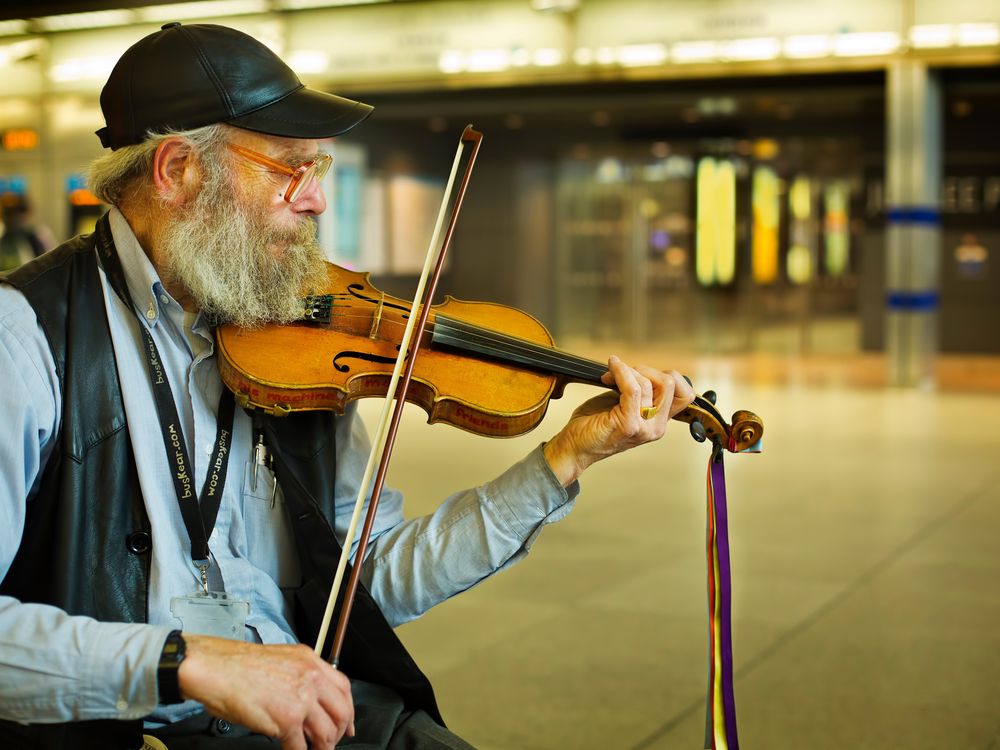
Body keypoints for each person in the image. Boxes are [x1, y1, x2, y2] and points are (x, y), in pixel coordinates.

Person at [0, 22, 693, 750]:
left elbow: (365, 587)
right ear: (176, 170)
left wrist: (565, 460)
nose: (314, 202)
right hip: (115, 725)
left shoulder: (295, 344)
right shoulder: (26, 337)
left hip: (298, 715)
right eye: (287, 169)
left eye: (319, 171)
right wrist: (186, 663)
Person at [0, 197, 53, 271]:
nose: (14, 217)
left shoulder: (38, 235)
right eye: (8, 213)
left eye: (19, 211)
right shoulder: (3, 236)